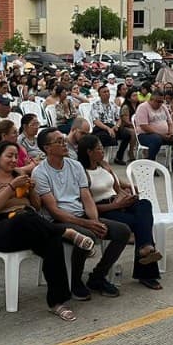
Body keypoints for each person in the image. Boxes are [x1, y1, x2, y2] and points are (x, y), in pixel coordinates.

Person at [0, 142, 87, 321]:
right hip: (0, 230)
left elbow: (35, 206)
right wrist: (11, 187)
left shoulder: (19, 174)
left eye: (15, 156)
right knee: (24, 217)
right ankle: (65, 231)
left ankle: (57, 302)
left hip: (29, 225)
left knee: (52, 241)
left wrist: (32, 190)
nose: (13, 160)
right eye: (9, 156)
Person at [33, 127, 131, 300]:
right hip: (58, 222)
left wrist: (95, 221)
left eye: (64, 139)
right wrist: (88, 224)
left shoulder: (75, 165)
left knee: (122, 231)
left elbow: (86, 197)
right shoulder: (40, 173)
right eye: (59, 141)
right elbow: (54, 211)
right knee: (88, 235)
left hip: (82, 216)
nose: (64, 143)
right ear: (47, 148)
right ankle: (75, 281)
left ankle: (98, 276)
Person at [76, 134, 163, 290]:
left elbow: (116, 189)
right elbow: (89, 207)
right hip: (104, 209)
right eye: (99, 149)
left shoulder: (104, 166)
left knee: (144, 204)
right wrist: (117, 205)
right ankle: (147, 264)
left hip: (118, 201)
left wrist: (126, 197)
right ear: (89, 152)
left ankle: (146, 248)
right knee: (141, 225)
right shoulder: (82, 173)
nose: (102, 151)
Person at [133, 94, 173, 173]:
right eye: (158, 101)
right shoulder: (143, 107)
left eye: (162, 101)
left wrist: (172, 133)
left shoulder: (163, 107)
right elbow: (144, 126)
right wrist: (161, 135)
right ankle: (150, 165)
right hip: (145, 135)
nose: (160, 103)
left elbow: (170, 122)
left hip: (164, 135)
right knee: (156, 139)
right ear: (151, 100)